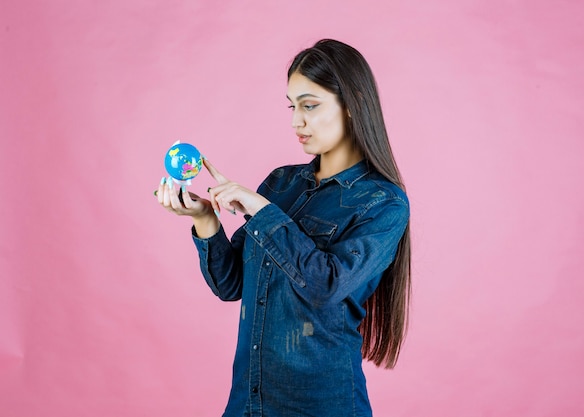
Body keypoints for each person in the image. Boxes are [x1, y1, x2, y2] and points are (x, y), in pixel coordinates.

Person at [156, 39, 411, 417]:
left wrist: (261, 209)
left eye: (309, 106)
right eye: (292, 107)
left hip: (321, 406)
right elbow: (232, 285)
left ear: (354, 102)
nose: (296, 121)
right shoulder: (281, 183)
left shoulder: (383, 204)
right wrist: (205, 219)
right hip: (249, 402)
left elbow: (326, 285)